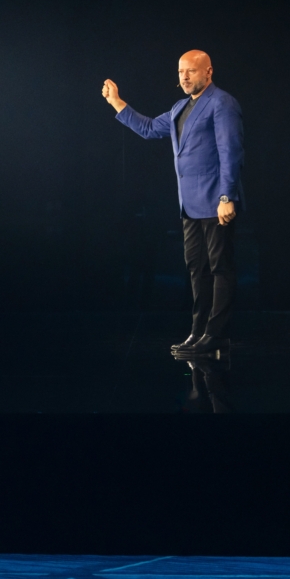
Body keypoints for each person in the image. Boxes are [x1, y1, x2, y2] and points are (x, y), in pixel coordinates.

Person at [103, 50, 244, 354]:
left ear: (208, 72)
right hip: (190, 204)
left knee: (221, 268)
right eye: (181, 72)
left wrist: (226, 196)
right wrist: (117, 102)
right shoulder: (181, 106)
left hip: (215, 201)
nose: (184, 77)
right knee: (197, 269)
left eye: (191, 71)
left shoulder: (221, 103)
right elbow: (150, 128)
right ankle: (198, 331)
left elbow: (229, 152)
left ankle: (217, 333)